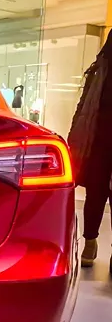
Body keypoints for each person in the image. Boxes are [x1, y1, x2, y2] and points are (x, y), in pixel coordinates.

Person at [68, 29, 112, 270]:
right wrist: (74, 138)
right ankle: (90, 242)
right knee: (95, 195)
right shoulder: (98, 72)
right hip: (98, 143)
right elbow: (83, 107)